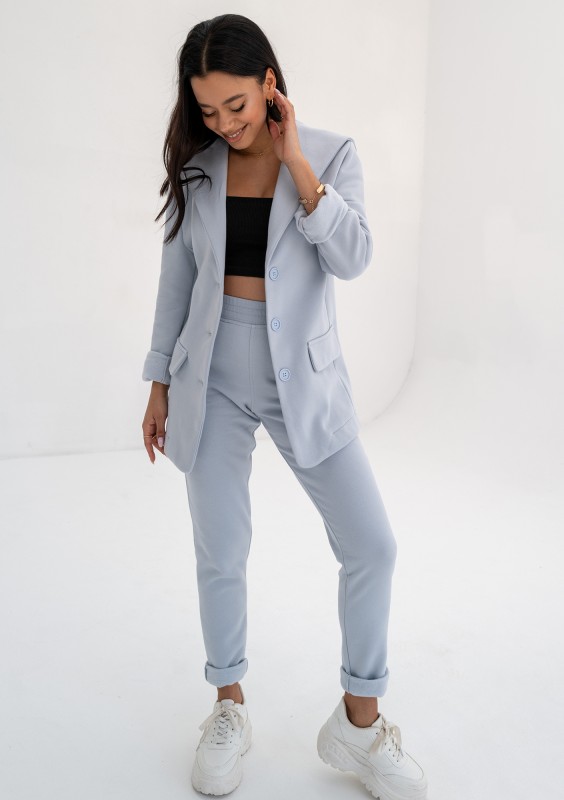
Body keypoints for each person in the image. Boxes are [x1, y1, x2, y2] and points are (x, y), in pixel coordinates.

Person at [141, 13, 427, 800]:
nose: (224, 124)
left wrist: (296, 162)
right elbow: (176, 282)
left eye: (236, 105)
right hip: (209, 378)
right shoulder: (199, 169)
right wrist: (159, 382)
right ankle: (228, 706)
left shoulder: (330, 154)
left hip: (302, 378)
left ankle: (359, 724)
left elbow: (353, 256)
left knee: (372, 546)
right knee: (221, 550)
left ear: (269, 83)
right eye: (208, 110)